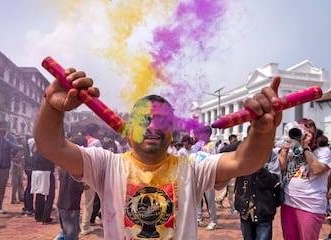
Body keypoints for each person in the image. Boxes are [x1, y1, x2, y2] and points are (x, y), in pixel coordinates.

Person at [33, 67, 281, 239]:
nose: (153, 127)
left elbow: (245, 161)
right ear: (129, 131)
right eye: (145, 120)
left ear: (172, 131)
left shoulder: (193, 167)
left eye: (162, 121)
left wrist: (262, 131)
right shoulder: (105, 165)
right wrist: (51, 107)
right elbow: (51, 146)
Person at [279, 119, 331, 240]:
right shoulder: (294, 151)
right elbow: (282, 166)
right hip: (288, 203)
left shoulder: (323, 152)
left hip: (310, 205)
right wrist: (286, 145)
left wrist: (305, 146)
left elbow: (316, 169)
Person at [234, 126, 282, 240]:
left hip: (263, 208)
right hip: (245, 208)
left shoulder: (270, 155)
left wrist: (259, 166)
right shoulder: (242, 153)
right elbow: (223, 152)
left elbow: (273, 181)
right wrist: (242, 145)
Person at [215, 134, 242, 213]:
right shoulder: (228, 148)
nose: (235, 142)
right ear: (230, 140)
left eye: (236, 140)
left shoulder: (235, 148)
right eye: (234, 140)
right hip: (230, 171)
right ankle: (232, 207)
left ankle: (218, 200)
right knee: (231, 189)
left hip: (235, 171)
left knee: (228, 188)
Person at [30, 144, 55, 224]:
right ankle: (45, 217)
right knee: (50, 196)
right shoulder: (48, 148)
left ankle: (38, 216)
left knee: (39, 195)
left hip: (36, 172)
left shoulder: (35, 147)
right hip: (46, 172)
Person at [10, 135, 25, 204]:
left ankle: (21, 196)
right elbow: (10, 158)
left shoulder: (22, 148)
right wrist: (18, 159)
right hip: (14, 165)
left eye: (20, 139)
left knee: (20, 182)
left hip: (20, 165)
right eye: (18, 139)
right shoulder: (13, 148)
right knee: (14, 183)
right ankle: (13, 199)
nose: (19, 141)